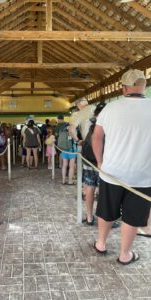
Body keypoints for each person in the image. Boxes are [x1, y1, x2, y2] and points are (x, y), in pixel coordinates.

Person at [92, 69, 151, 265]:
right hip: (143, 176)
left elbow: (97, 137)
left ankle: (101, 243)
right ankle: (125, 254)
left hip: (112, 172)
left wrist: (100, 162)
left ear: (124, 88)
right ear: (144, 86)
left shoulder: (110, 108)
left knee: (106, 210)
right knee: (133, 216)